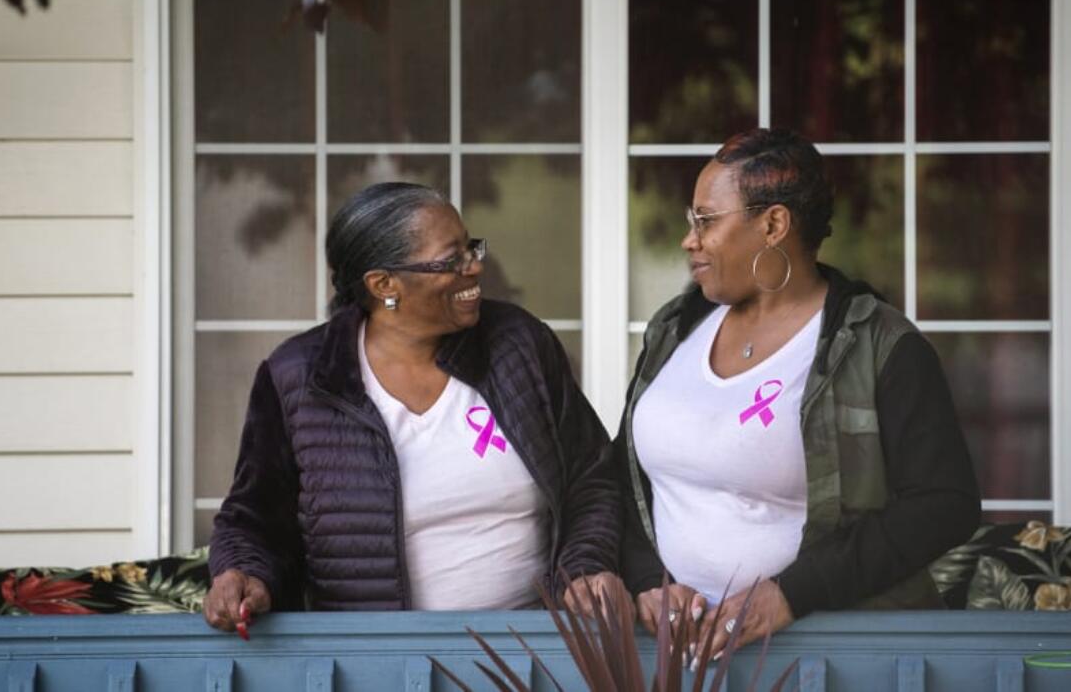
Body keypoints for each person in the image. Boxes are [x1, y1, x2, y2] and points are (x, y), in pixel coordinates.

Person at [616, 129, 980, 656]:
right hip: (675, 656)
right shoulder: (674, 330)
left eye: (706, 220)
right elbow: (623, 479)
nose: (689, 239)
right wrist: (650, 580)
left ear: (773, 224)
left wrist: (790, 595)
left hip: (826, 651)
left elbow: (945, 504)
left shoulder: (880, 344)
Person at [204, 182, 621, 632]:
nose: (475, 267)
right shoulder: (300, 379)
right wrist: (244, 572)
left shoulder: (518, 345)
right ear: (385, 285)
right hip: (377, 657)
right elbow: (254, 516)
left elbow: (591, 477)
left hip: (531, 646)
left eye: (472, 248)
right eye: (452, 259)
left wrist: (584, 569)